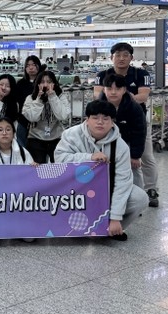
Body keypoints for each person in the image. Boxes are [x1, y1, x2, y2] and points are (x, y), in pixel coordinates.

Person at [55, 101, 149, 240]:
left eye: (105, 119)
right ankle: (76, 225)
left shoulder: (121, 147)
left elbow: (122, 182)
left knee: (140, 198)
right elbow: (59, 159)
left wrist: (116, 217)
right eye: (95, 118)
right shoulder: (71, 135)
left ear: (112, 122)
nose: (100, 122)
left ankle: (111, 229)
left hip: (106, 188)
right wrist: (89, 158)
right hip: (76, 189)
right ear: (87, 120)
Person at [93, 42, 158, 207]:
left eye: (125, 55)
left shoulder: (140, 74)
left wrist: (120, 98)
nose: (121, 58)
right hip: (110, 121)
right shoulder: (102, 75)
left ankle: (151, 189)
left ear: (131, 57)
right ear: (111, 57)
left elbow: (143, 96)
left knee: (145, 156)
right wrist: (121, 98)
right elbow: (97, 94)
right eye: (118, 55)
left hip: (137, 120)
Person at [99, 74, 146, 187]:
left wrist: (135, 156)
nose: (113, 92)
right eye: (109, 89)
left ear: (124, 90)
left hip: (127, 142)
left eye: (117, 89)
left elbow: (139, 132)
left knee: (133, 169)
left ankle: (138, 193)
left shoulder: (134, 108)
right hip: (103, 143)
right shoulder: (98, 107)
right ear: (104, 90)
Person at [22, 70, 70, 163]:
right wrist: (39, 99)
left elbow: (63, 116)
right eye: (42, 82)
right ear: (38, 84)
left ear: (54, 84)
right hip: (35, 137)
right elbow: (32, 117)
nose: (45, 85)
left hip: (56, 137)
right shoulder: (30, 98)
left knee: (58, 166)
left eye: (49, 82)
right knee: (37, 166)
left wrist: (53, 97)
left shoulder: (61, 97)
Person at [15, 55, 43, 149]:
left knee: (37, 148)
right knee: (22, 146)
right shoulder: (20, 83)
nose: (31, 68)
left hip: (40, 120)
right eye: (28, 65)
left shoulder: (43, 83)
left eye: (33, 65)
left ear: (38, 66)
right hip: (23, 120)